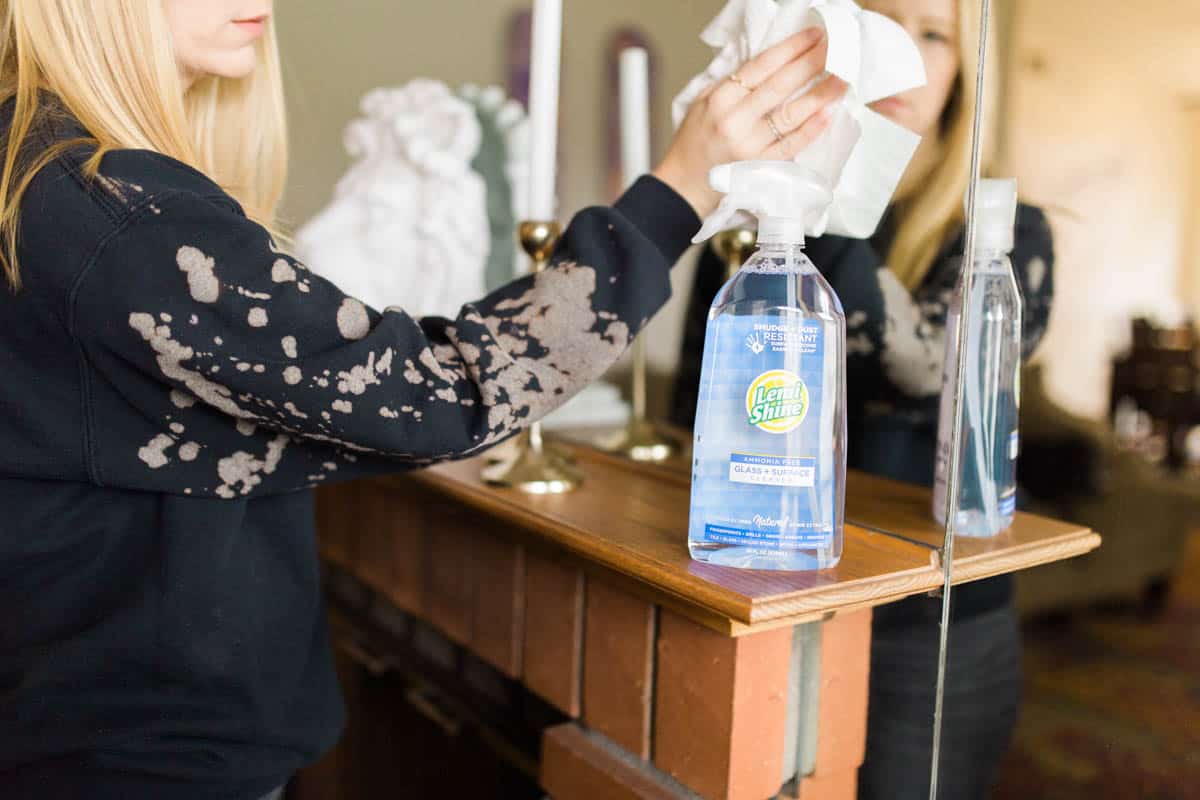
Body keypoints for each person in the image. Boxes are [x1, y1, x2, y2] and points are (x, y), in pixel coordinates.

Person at [0, 3, 847, 799]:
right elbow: (438, 394)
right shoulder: (114, 211)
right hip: (128, 760)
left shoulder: (41, 176)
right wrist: (675, 192)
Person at [672, 0, 1055, 798]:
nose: (900, 55)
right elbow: (692, 411)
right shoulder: (756, 219)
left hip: (937, 627)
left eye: (932, 34)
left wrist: (818, 202)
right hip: (769, 593)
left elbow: (926, 370)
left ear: (961, 71)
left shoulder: (1003, 234)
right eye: (877, 20)